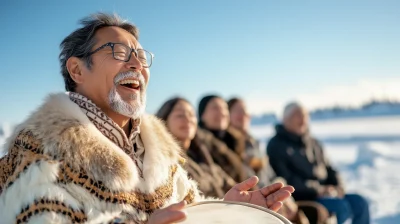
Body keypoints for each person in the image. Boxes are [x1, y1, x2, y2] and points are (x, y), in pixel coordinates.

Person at [0, 13, 294, 224]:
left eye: (141, 56)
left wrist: (227, 211)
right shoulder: (38, 155)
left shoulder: (158, 153)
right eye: (118, 51)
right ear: (77, 71)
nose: (136, 64)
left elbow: (188, 214)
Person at [267, 102, 370, 224]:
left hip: (327, 193)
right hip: (305, 196)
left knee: (360, 202)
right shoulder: (276, 145)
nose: (303, 119)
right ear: (286, 119)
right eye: (298, 115)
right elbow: (286, 179)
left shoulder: (314, 143)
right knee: (341, 207)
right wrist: (318, 190)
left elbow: (330, 168)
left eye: (305, 115)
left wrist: (338, 186)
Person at [156, 97, 237, 198]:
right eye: (180, 115)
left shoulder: (202, 153)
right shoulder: (163, 161)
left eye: (191, 114)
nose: (188, 119)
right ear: (163, 121)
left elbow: (226, 181)